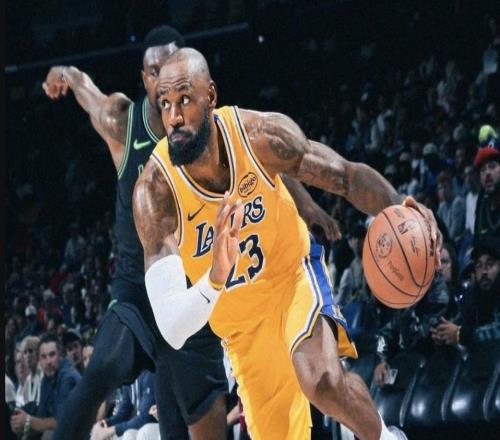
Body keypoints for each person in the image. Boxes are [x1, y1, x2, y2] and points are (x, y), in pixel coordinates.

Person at [42, 26, 334, 440]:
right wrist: (63, 73)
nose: (167, 76)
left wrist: (306, 205)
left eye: (174, 67)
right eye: (155, 72)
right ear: (145, 80)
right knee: (102, 368)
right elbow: (84, 87)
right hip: (140, 292)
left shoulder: (209, 127)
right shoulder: (123, 122)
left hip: (196, 290)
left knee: (190, 426)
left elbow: (263, 164)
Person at [133, 48, 441, 440]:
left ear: (210, 96)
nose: (174, 117)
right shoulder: (154, 192)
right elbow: (173, 327)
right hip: (241, 328)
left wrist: (401, 206)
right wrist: (215, 278)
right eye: (165, 104)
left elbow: (345, 176)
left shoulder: (260, 137)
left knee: (322, 381)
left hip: (291, 277)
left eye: (185, 100)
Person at [10, 333, 81, 439]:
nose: (48, 362)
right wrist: (22, 426)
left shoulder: (67, 377)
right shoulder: (46, 379)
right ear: (39, 360)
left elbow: (63, 422)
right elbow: (41, 418)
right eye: (44, 357)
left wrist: (28, 421)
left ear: (60, 355)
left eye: (52, 355)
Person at [91, 370, 156, 440]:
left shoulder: (149, 374)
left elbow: (145, 419)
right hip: (138, 427)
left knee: (129, 434)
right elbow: (122, 414)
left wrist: (111, 430)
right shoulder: (128, 379)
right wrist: (103, 424)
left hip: (153, 426)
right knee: (97, 434)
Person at [473, 134, 500, 241]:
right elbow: (477, 241)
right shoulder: (482, 204)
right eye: (483, 169)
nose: (487, 173)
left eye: (492, 166)